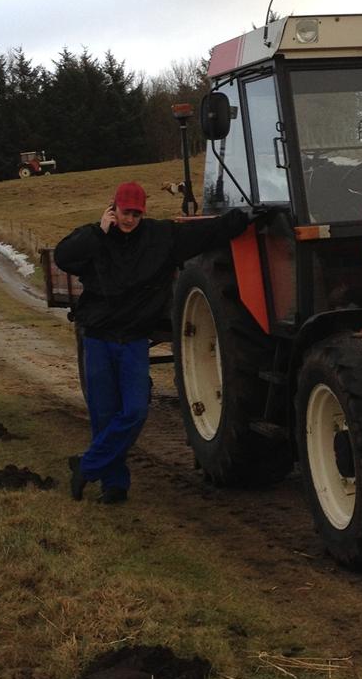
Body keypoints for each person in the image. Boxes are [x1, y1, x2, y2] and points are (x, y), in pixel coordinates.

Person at [53, 180, 252, 504]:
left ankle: (87, 466)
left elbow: (208, 233)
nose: (129, 218)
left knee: (133, 411)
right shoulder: (94, 238)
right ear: (112, 209)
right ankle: (114, 485)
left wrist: (243, 217)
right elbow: (63, 256)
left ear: (142, 213)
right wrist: (98, 232)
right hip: (99, 341)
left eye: (135, 213)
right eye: (123, 212)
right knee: (104, 415)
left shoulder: (161, 238)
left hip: (132, 341)